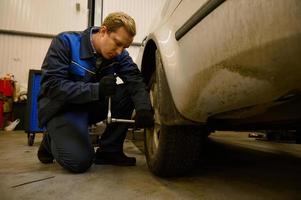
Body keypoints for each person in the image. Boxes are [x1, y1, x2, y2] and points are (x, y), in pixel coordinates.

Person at [37, 12, 154, 173]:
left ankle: (109, 151)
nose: (120, 52)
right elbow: (52, 86)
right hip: (62, 109)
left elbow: (135, 79)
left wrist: (143, 108)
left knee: (129, 91)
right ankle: (51, 139)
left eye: (125, 47)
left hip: (89, 105)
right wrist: (96, 89)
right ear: (104, 31)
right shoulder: (66, 42)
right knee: (79, 162)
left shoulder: (119, 55)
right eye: (118, 43)